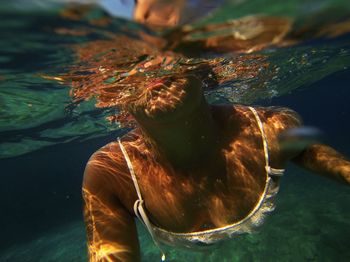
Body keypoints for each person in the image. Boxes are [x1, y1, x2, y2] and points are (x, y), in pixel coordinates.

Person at [80, 2, 350, 262]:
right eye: (130, 63)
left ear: (204, 70)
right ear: (116, 98)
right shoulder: (110, 174)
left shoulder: (272, 128)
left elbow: (327, 160)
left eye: (166, 49)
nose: (148, 67)